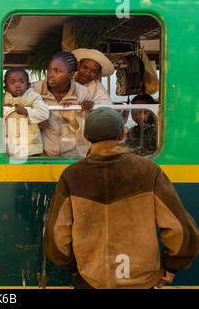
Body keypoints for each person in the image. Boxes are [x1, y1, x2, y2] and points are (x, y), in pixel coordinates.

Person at [43, 107, 199, 289]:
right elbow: (180, 229)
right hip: (141, 280)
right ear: (122, 133)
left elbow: (56, 238)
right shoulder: (149, 171)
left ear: (85, 136)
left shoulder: (72, 176)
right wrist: (172, 268)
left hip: (90, 280)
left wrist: (75, 270)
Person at [33, 51, 93, 157]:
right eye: (49, 69)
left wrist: (76, 117)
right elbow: (17, 119)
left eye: (57, 71)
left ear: (71, 74)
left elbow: (88, 130)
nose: (50, 75)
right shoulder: (34, 90)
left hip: (73, 157)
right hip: (42, 157)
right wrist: (35, 126)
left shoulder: (82, 92)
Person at [3, 67, 49, 157]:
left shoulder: (33, 97)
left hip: (31, 146)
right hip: (10, 146)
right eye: (12, 82)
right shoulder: (2, 99)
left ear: (28, 84)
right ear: (6, 87)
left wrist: (26, 111)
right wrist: (4, 109)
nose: (18, 85)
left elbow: (44, 113)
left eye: (22, 81)